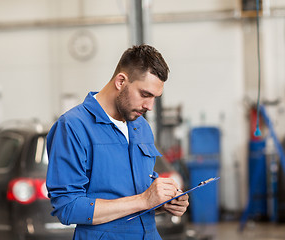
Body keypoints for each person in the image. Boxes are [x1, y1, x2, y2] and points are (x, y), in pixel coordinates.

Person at [46, 44, 189, 239]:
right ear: (121, 81)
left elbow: (140, 196)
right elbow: (67, 207)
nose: (150, 106)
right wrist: (144, 200)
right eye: (145, 94)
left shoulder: (141, 127)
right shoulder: (73, 127)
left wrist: (163, 202)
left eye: (155, 98)